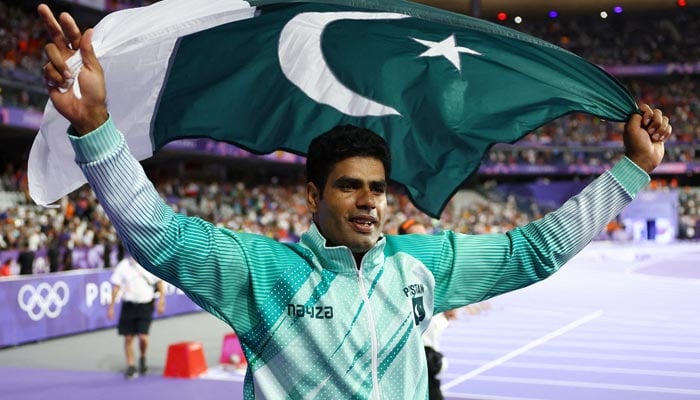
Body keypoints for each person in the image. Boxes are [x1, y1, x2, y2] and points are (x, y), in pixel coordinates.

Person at [38, 3, 671, 398]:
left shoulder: (423, 267)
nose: (369, 201)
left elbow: (538, 250)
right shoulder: (264, 275)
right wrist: (95, 123)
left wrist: (631, 170)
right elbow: (160, 236)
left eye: (377, 187)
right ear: (313, 195)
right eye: (349, 185)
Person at [399, 219, 454, 400]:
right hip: (407, 365)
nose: (423, 243)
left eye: (426, 238)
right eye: (417, 238)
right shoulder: (395, 276)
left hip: (429, 363)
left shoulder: (431, 275)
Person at [107, 254, 166, 379]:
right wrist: (111, 306)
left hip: (145, 304)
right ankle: (131, 366)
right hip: (129, 305)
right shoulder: (123, 266)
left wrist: (161, 301)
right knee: (128, 337)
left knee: (143, 337)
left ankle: (143, 357)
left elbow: (159, 283)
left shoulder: (148, 262)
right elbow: (116, 287)